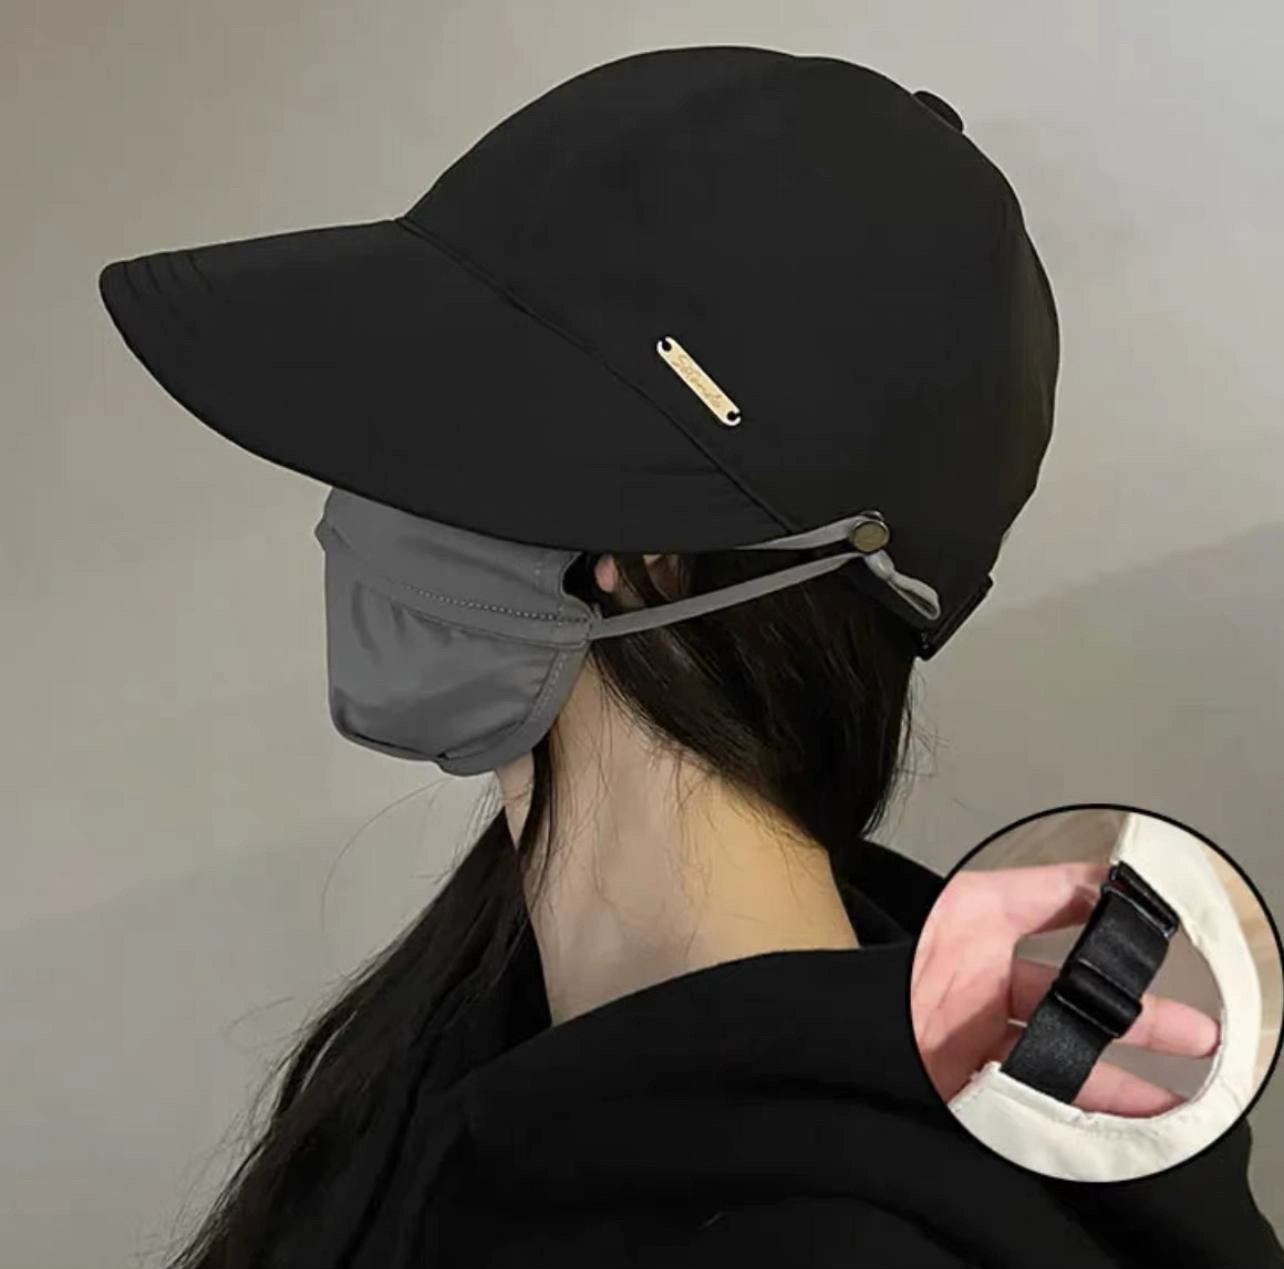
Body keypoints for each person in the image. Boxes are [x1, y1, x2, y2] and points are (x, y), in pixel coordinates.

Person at [98, 44, 1281, 1269]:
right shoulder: (469, 1040)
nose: (360, 498)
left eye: (442, 427)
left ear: (660, 555)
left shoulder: (817, 1234)